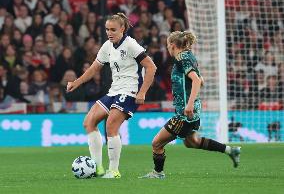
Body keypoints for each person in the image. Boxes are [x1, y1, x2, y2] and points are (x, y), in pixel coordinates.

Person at [139, 31, 241, 179]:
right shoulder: (189, 56)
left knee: (156, 143)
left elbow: (197, 80)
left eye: (168, 45)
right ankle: (231, 150)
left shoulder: (181, 58)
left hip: (185, 113)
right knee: (192, 142)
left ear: (173, 45)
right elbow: (199, 79)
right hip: (193, 112)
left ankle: (158, 173)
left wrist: (189, 104)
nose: (168, 48)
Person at [66, 12, 157, 178]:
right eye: (107, 29)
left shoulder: (131, 44)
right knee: (89, 122)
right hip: (114, 91)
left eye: (113, 29)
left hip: (130, 91)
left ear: (122, 29)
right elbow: (94, 68)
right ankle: (97, 168)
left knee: (110, 126)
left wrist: (142, 91)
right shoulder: (107, 46)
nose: (109, 33)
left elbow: (151, 67)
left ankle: (114, 171)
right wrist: (76, 82)